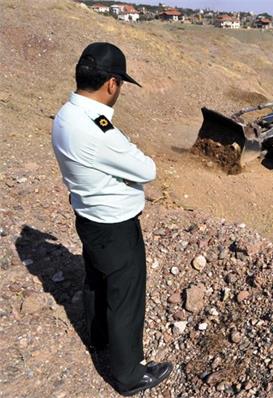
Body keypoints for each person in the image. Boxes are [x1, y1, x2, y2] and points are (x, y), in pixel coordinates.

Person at [51, 42, 172, 396]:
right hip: (116, 225)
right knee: (125, 297)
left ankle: (98, 339)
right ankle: (129, 376)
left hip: (88, 217)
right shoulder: (96, 129)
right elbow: (146, 168)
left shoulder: (67, 114)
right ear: (111, 84)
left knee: (95, 279)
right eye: (120, 85)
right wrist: (127, 156)